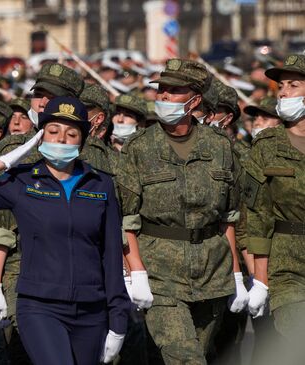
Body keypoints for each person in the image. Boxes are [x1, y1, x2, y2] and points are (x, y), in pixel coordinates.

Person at [0, 96, 130, 365]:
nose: (62, 139)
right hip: (40, 306)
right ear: (41, 137)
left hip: (92, 309)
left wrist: (119, 320)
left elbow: (111, 255)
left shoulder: (100, 185)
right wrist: (6, 160)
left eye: (72, 133)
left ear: (82, 140)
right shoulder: (22, 181)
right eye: (53, 131)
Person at [118, 59, 247, 364]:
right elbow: (127, 217)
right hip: (159, 269)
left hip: (212, 271)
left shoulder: (220, 147)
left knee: (196, 353)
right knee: (185, 357)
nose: (162, 96)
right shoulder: (139, 147)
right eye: (161, 90)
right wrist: (135, 270)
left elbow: (229, 217)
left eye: (173, 91)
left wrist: (237, 275)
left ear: (194, 100)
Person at [245, 54, 305, 358]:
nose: (283, 92)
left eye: (294, 85)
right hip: (288, 266)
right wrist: (261, 281)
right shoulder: (267, 146)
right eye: (281, 85)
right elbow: (258, 216)